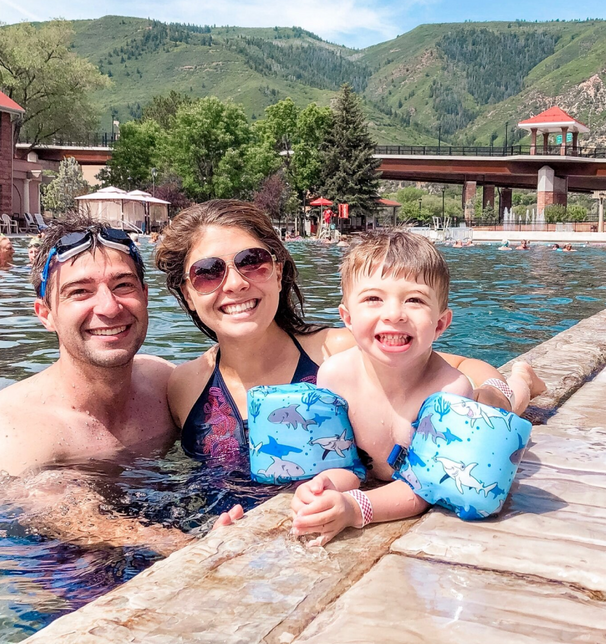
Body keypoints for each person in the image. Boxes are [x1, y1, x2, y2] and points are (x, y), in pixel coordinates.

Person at [154, 202, 539, 518]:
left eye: (252, 261)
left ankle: (525, 382)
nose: (235, 283)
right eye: (207, 273)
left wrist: (495, 403)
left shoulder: (337, 350)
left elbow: (473, 372)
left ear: (278, 271)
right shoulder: (184, 385)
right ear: (187, 293)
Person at [290, 231, 544, 546]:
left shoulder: (450, 389)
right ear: (348, 318)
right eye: (373, 298)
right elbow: (345, 463)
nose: (394, 314)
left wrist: (356, 508)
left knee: (504, 401)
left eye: (414, 300)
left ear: (440, 324)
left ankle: (523, 378)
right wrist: (323, 485)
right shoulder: (334, 376)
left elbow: (426, 487)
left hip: (477, 412)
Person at [0, 214, 177, 476]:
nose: (109, 307)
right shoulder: (16, 434)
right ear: (45, 314)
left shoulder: (166, 383)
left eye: (123, 285)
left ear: (145, 295)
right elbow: (72, 516)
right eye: (80, 291)